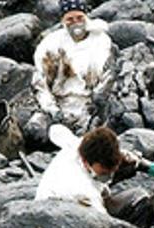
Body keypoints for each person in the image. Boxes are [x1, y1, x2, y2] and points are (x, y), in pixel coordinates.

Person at [34, 125, 154, 224]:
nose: (109, 176)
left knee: (139, 197)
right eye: (104, 172)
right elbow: (105, 226)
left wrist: (152, 168)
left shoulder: (86, 146)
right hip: (63, 218)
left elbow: (123, 156)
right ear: (86, 162)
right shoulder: (81, 190)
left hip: (91, 193)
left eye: (112, 171)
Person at [31, 0, 114, 134]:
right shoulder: (51, 43)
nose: (76, 22)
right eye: (70, 19)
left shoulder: (101, 41)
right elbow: (40, 83)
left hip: (88, 105)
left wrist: (96, 105)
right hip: (58, 104)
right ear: (63, 20)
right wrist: (53, 110)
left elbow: (108, 77)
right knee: (34, 131)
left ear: (86, 17)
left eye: (80, 17)